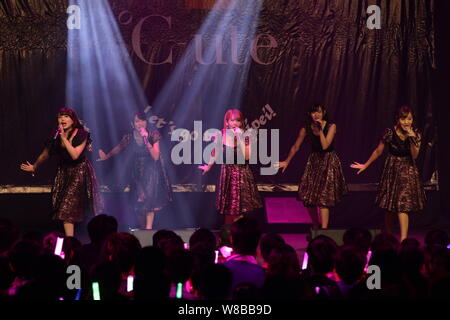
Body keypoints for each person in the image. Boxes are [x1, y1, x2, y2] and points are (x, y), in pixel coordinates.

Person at [20, 108, 103, 236]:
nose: (62, 119)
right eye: (60, 117)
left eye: (65, 116)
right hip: (64, 173)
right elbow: (46, 153)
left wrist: (64, 138)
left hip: (79, 172)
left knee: (68, 207)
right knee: (64, 209)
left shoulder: (82, 134)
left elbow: (75, 155)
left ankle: (80, 240)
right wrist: (35, 166)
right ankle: (70, 241)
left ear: (73, 119)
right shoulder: (58, 135)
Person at [351, 105, 426, 241]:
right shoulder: (390, 132)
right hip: (391, 169)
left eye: (409, 119)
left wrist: (412, 138)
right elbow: (378, 151)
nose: (406, 122)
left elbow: (415, 156)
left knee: (403, 205)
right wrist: (365, 165)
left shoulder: (415, 133)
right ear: (398, 119)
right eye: (403, 119)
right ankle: (389, 236)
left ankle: (403, 239)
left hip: (407, 170)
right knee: (389, 205)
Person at [276, 104, 348, 229]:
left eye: (318, 112)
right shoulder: (306, 128)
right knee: (309, 199)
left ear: (323, 112)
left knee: (323, 199)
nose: (316, 115)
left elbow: (325, 146)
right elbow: (296, 146)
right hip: (314, 162)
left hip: (328, 161)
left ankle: (324, 230)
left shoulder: (331, 126)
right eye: (313, 112)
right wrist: (287, 161)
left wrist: (320, 130)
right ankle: (315, 224)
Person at [97, 111, 172, 229]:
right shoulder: (130, 136)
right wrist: (106, 156)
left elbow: (156, 156)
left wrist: (146, 139)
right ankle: (143, 230)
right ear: (133, 124)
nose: (140, 123)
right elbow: (119, 148)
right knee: (138, 204)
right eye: (137, 121)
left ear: (146, 122)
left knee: (149, 203)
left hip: (150, 172)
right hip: (136, 173)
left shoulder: (153, 134)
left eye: (142, 120)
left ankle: (148, 230)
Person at [198, 109, 263, 225]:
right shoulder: (221, 134)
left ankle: (240, 235)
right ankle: (228, 235)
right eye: (232, 120)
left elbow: (247, 156)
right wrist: (208, 166)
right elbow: (215, 152)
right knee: (229, 208)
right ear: (227, 122)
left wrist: (240, 138)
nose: (235, 123)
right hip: (227, 173)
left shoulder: (246, 136)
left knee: (241, 207)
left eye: (238, 120)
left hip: (241, 173)